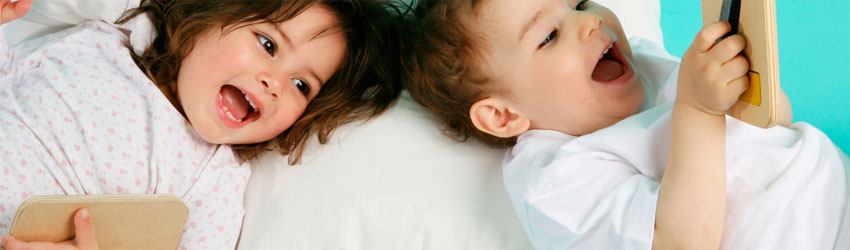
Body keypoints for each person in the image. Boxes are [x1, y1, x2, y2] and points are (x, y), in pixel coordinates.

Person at [404, 0, 850, 249]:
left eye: (577, 3)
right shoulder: (556, 179)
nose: (588, 21)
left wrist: (747, 82)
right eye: (549, 35)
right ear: (503, 115)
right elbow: (683, 242)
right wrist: (698, 109)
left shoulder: (644, 65)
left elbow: (777, 125)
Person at [0, 0, 406, 249]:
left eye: (302, 84)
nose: (275, 83)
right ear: (209, 15)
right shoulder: (102, 42)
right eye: (268, 44)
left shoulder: (214, 181)